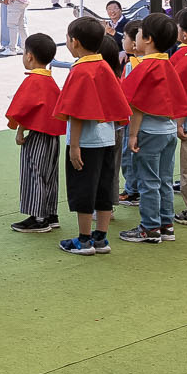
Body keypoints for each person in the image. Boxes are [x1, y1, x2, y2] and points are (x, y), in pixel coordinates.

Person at [55, 18, 129, 255]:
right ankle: (101, 238)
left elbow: (76, 111)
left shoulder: (80, 70)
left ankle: (83, 239)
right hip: (108, 137)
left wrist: (74, 145)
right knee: (104, 187)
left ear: (74, 42)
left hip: (85, 141)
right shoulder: (104, 66)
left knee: (84, 188)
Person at [114, 13, 186, 245]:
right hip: (167, 130)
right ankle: (165, 224)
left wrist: (133, 134)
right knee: (164, 180)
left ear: (148, 39)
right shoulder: (167, 63)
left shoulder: (145, 66)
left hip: (149, 131)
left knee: (148, 181)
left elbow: (135, 105)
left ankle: (149, 227)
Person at [6, 33, 66, 235]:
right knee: (49, 174)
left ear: (29, 56)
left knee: (34, 173)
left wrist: (20, 130)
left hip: (38, 135)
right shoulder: (50, 81)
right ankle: (50, 213)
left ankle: (38, 217)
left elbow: (22, 108)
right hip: (52, 135)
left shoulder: (33, 81)